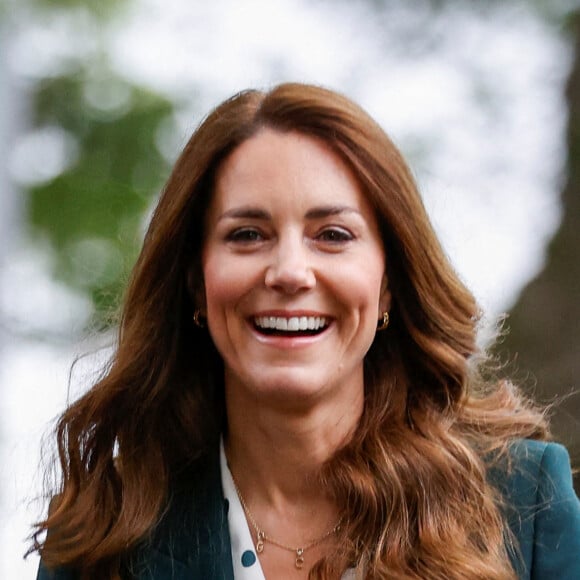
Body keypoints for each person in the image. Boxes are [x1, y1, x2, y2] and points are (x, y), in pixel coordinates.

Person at [32, 83, 580, 580]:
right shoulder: (101, 529)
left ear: (389, 282)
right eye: (247, 234)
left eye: (333, 235)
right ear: (196, 284)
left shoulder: (523, 499)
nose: (290, 272)